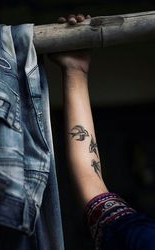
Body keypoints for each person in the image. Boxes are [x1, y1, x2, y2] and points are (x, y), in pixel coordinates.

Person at [50, 14, 155, 250]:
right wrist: (76, 70)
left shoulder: (142, 238)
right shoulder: (142, 239)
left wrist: (76, 71)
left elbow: (91, 183)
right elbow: (92, 186)